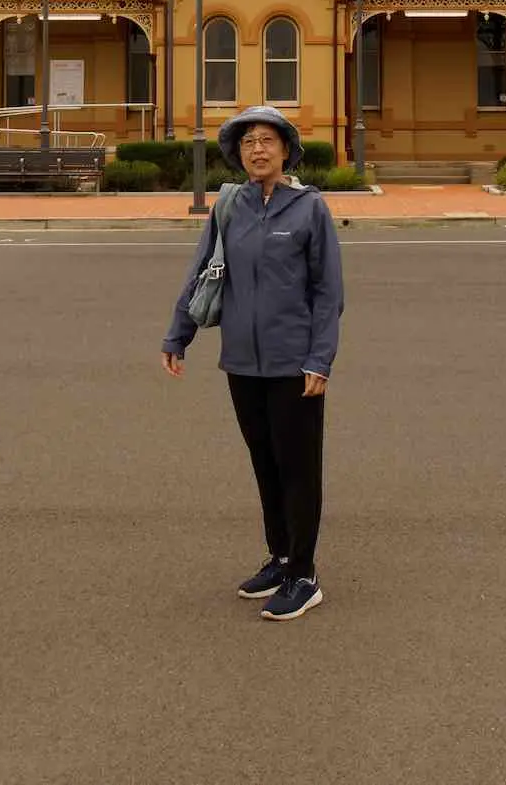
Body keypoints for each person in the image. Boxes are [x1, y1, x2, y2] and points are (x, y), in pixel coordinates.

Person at [160, 104, 346, 622]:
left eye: (267, 140)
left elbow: (328, 293)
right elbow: (204, 272)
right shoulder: (230, 206)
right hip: (242, 363)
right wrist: (179, 335)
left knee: (298, 469)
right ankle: (281, 556)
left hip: (294, 364)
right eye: (247, 143)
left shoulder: (310, 210)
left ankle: (305, 575)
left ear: (286, 149)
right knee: (264, 463)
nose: (257, 150)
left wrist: (319, 360)